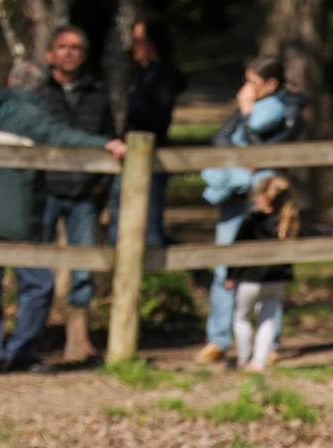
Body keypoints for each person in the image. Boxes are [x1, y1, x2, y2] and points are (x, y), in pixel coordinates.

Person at [0, 61, 126, 375]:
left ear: (10, 80)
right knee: (38, 283)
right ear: (37, 87)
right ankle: (19, 351)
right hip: (18, 213)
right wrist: (104, 143)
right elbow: (60, 135)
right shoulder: (29, 114)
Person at [194, 57, 304, 365]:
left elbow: (270, 142)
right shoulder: (249, 106)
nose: (245, 89)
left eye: (251, 82)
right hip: (234, 193)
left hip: (266, 199)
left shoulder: (286, 111)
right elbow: (220, 137)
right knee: (223, 267)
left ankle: (270, 344)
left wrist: (245, 116)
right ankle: (218, 339)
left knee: (267, 269)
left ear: (270, 84)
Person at [36, 24, 116, 365]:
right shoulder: (38, 93)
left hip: (82, 190)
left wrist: (99, 185)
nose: (69, 53)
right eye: (63, 47)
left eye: (76, 47)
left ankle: (77, 336)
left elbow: (110, 137)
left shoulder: (97, 95)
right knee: (36, 264)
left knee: (83, 264)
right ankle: (33, 336)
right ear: (51, 53)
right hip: (44, 189)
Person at [110, 13, 185, 248]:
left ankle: (200, 271)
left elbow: (153, 116)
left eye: (138, 40)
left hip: (150, 153)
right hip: (130, 152)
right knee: (119, 223)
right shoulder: (141, 73)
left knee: (151, 233)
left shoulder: (163, 75)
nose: (133, 46)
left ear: (153, 42)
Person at [226, 174, 297, 372]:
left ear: (261, 197)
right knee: (267, 320)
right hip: (277, 280)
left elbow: (236, 248)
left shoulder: (251, 221)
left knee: (241, 318)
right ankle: (258, 362)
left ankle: (243, 358)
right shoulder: (288, 221)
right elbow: (311, 231)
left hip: (250, 279)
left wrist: (230, 275)